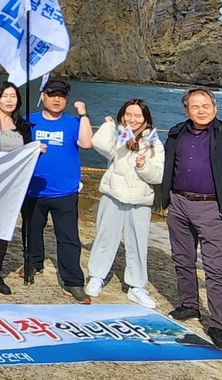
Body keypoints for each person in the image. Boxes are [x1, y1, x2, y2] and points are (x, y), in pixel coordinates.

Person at [160, 80, 222, 352]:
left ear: (215, 107)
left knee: (215, 270)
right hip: (179, 204)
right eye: (196, 107)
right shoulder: (176, 132)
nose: (201, 111)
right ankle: (189, 305)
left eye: (206, 106)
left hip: (212, 208)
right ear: (186, 111)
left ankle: (217, 325)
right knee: (182, 260)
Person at [85, 99, 164, 308]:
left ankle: (136, 286)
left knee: (137, 243)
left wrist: (143, 166)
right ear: (122, 115)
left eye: (138, 116)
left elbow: (158, 176)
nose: (133, 119)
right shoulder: (119, 136)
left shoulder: (154, 142)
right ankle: (96, 276)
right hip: (113, 195)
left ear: (146, 119)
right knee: (104, 237)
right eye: (128, 114)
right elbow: (98, 144)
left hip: (140, 201)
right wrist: (108, 126)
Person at [23, 78, 94, 304]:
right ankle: (33, 264)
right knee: (32, 231)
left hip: (65, 191)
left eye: (61, 96)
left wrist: (83, 115)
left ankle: (72, 281)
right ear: (43, 96)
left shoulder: (73, 123)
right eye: (52, 94)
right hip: (34, 189)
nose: (56, 99)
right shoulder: (29, 121)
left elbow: (86, 143)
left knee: (69, 237)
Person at [0, 81, 38, 299]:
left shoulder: (24, 126)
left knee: (3, 228)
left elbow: (27, 156)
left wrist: (37, 151)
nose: (9, 100)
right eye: (5, 96)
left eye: (13, 96)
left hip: (13, 187)